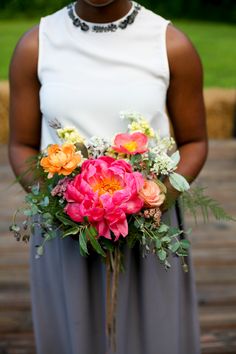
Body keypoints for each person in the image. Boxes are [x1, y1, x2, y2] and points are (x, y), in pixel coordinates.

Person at [8, 0, 208, 353]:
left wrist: (154, 200)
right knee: (73, 335)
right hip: (67, 228)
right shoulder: (36, 45)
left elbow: (194, 142)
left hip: (149, 229)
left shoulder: (170, 44)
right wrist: (59, 204)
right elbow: (22, 145)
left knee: (154, 336)